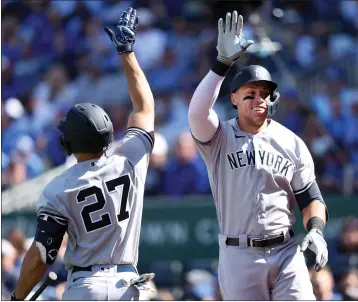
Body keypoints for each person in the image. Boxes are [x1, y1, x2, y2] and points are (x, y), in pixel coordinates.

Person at [11, 7, 155, 301]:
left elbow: (42, 255)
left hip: (85, 286)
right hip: (128, 285)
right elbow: (143, 106)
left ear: (69, 143)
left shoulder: (59, 187)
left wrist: (17, 297)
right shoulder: (131, 159)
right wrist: (126, 52)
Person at [188, 10, 329, 300]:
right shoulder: (219, 136)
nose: (258, 99)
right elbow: (197, 112)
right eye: (250, 93)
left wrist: (315, 230)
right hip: (239, 255)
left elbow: (311, 198)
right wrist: (222, 64)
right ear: (234, 99)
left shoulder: (290, 142)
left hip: (286, 250)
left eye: (264, 93)